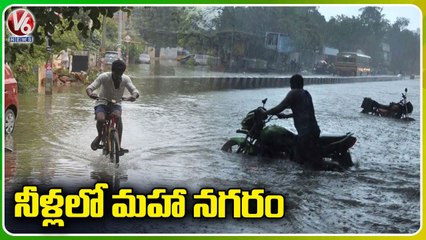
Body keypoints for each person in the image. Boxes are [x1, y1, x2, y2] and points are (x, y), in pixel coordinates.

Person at [262, 74, 323, 169]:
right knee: (305, 160)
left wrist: (265, 113)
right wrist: (286, 116)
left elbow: (280, 107)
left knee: (298, 161)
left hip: (305, 133)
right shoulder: (306, 94)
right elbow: (305, 112)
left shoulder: (293, 93)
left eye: (290, 83)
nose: (290, 86)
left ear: (293, 84)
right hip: (314, 130)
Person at [86, 59, 139, 155]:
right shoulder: (104, 77)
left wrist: (133, 96)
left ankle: (119, 146)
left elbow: (134, 90)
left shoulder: (126, 79)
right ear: (112, 71)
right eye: (116, 73)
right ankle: (99, 136)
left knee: (118, 117)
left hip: (116, 104)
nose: (118, 76)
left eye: (120, 73)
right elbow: (90, 87)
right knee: (101, 119)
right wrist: (91, 94)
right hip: (102, 102)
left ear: (123, 72)